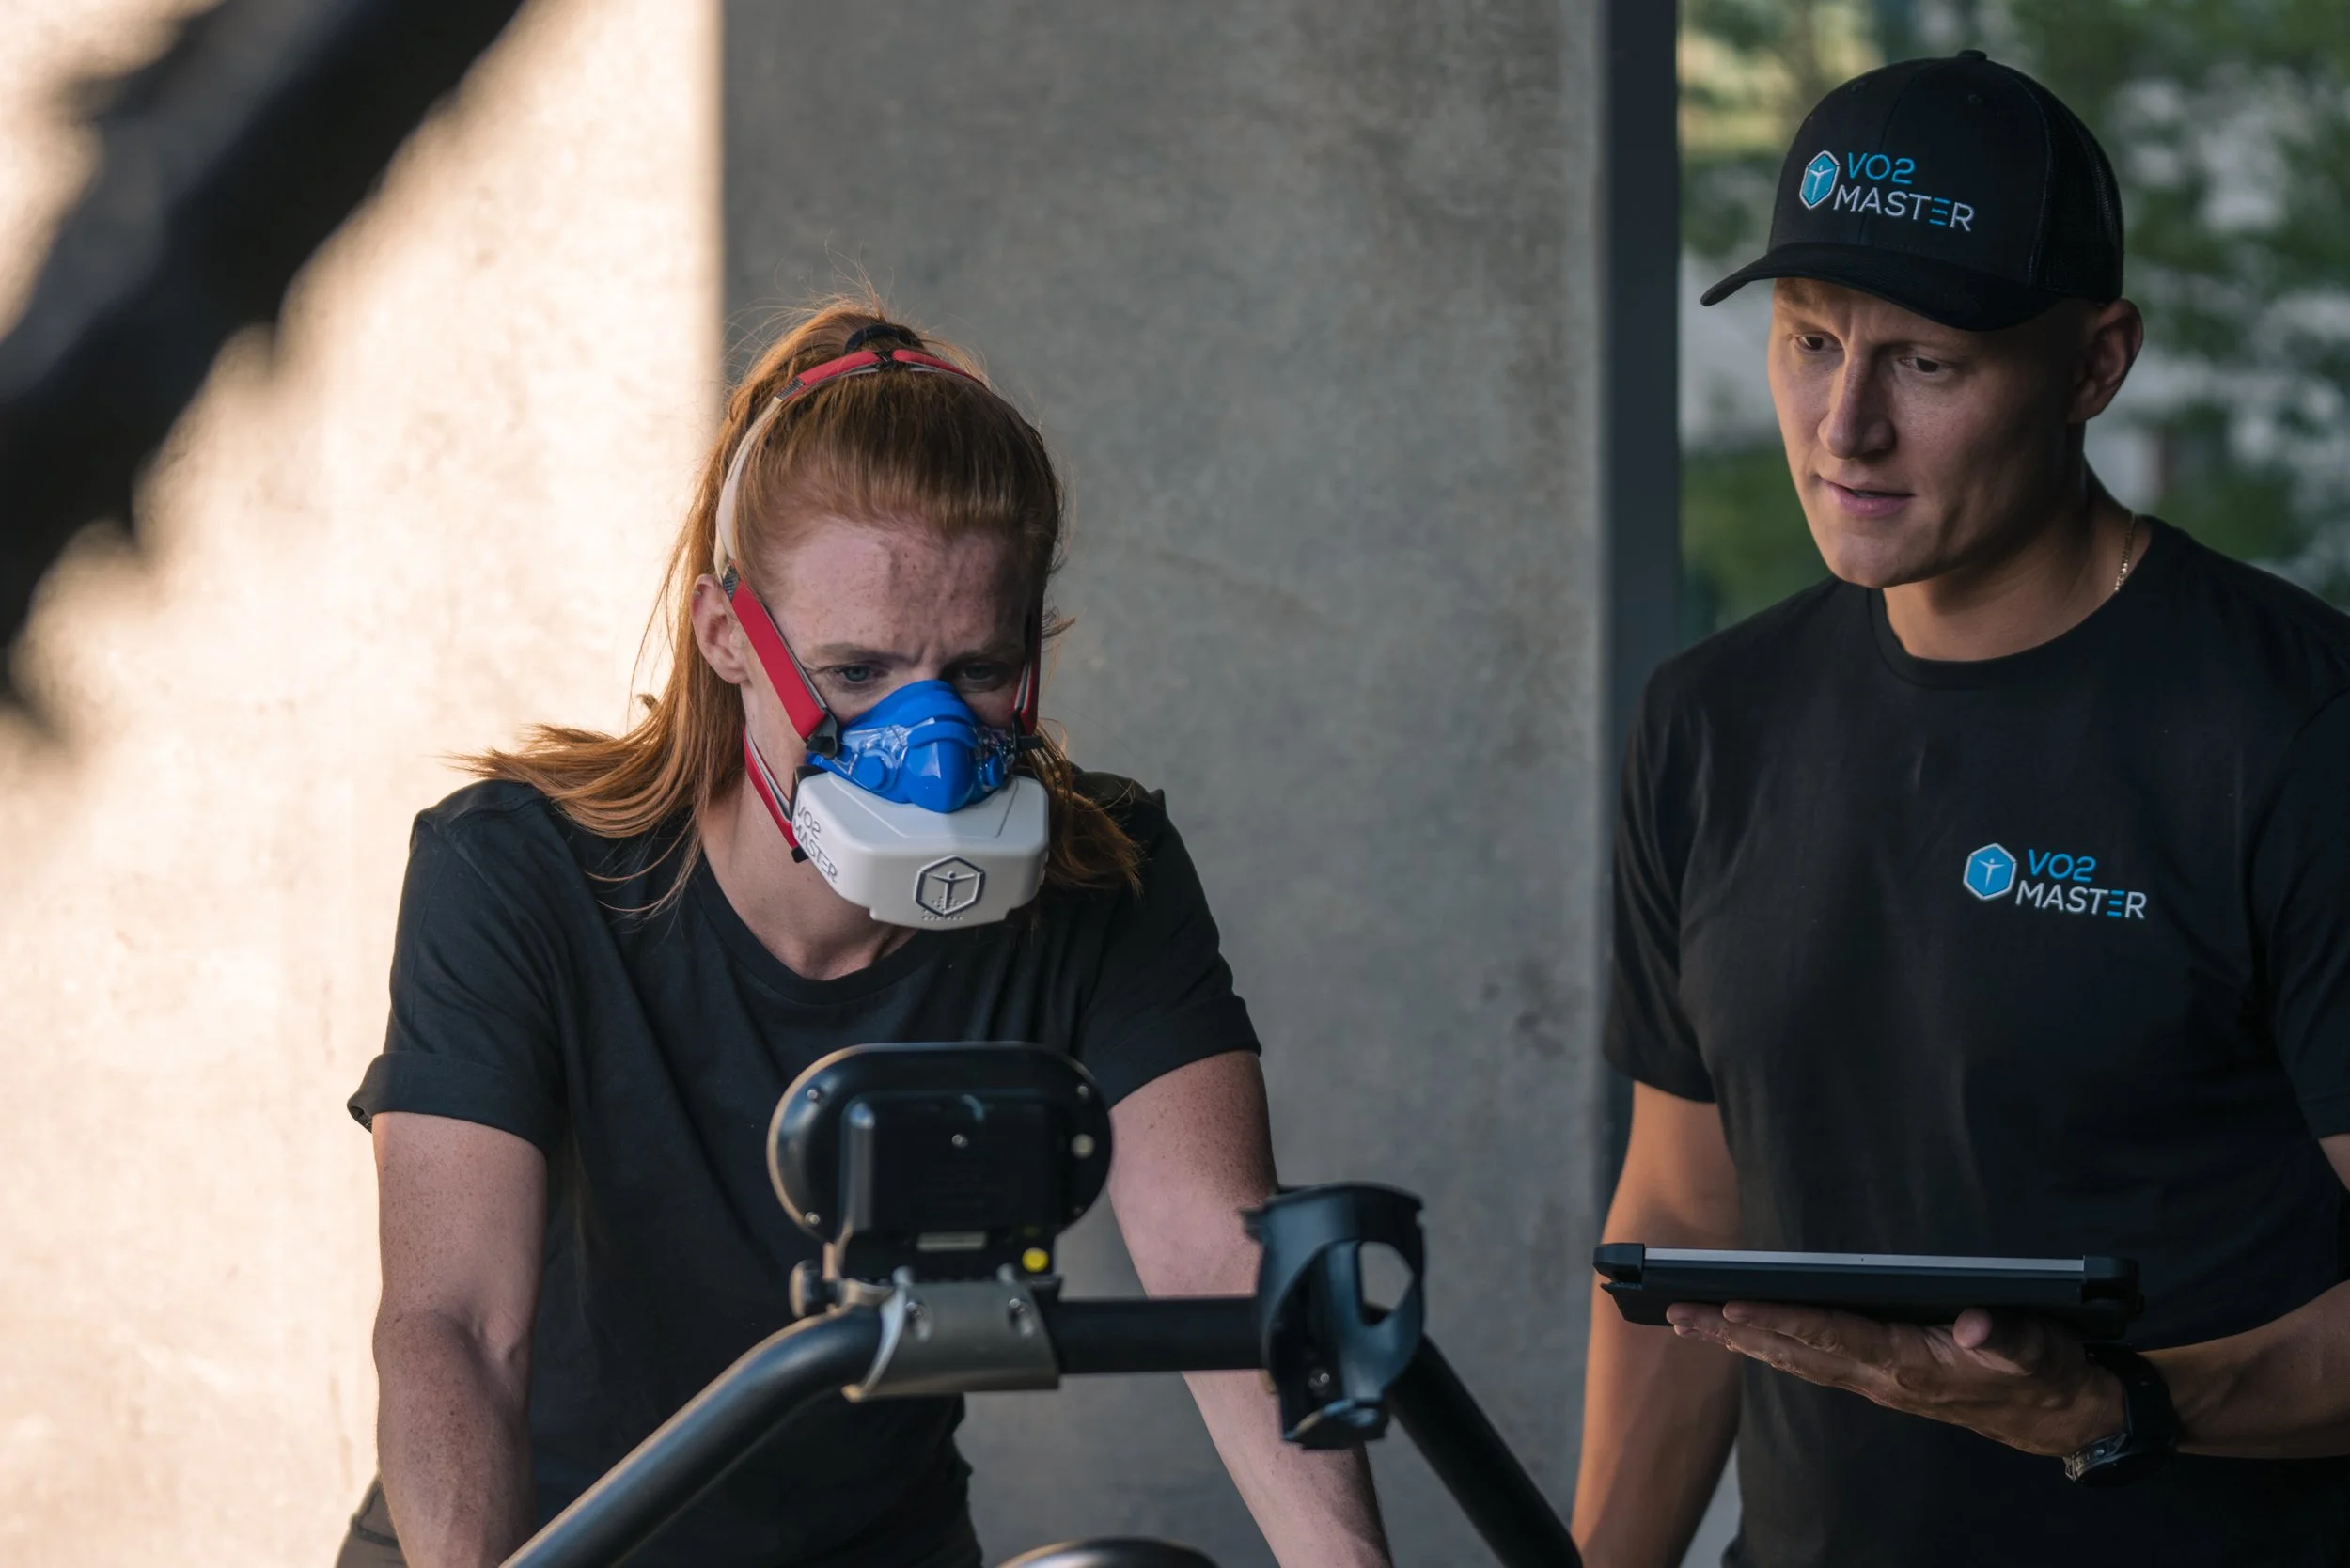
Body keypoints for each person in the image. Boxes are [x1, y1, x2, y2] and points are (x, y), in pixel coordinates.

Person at [336, 297, 1392, 1568]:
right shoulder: (515, 876)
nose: (929, 741)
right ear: (729, 637)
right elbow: (453, 1327)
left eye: (980, 670)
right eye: (856, 674)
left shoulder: (1102, 880)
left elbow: (1228, 1277)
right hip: (534, 1546)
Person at [1574, 50, 2350, 1568]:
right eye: (1809, 343)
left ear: (2094, 363)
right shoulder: (1708, 722)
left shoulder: (2295, 729)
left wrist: (2115, 1407)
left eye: (1926, 363)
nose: (1842, 427)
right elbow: (1690, 1215)